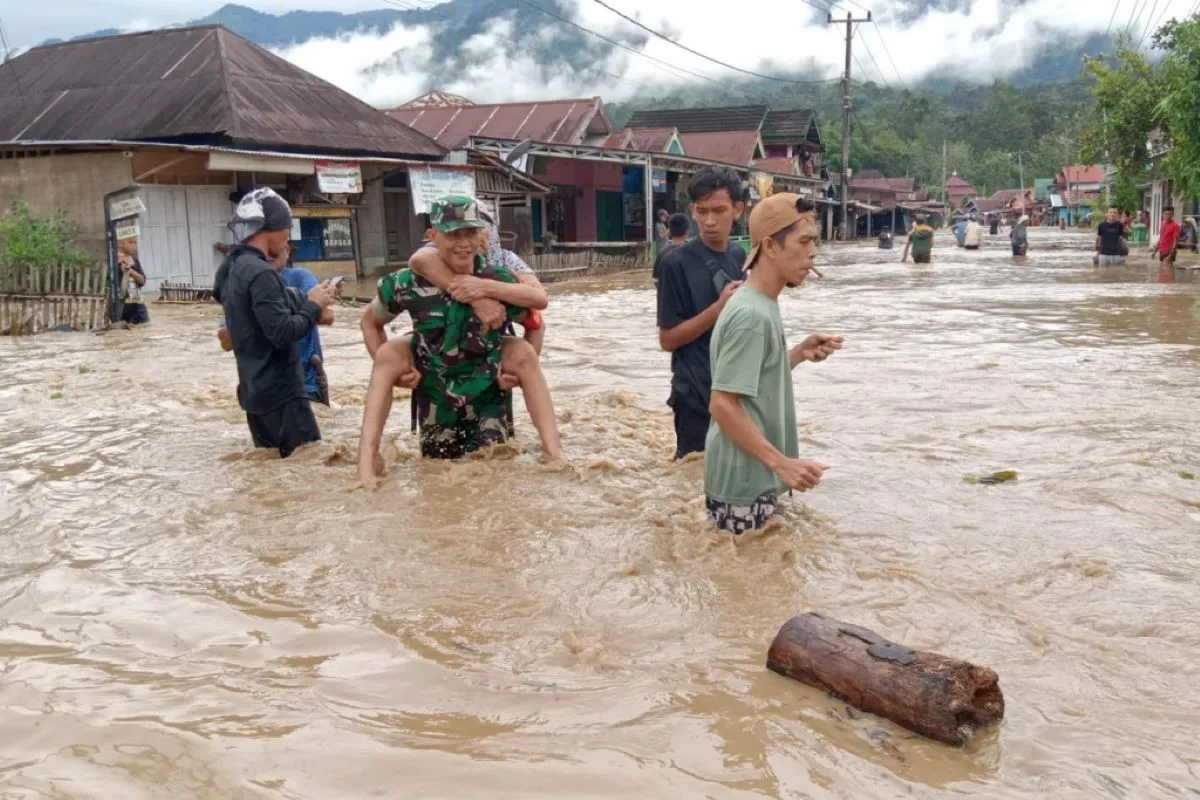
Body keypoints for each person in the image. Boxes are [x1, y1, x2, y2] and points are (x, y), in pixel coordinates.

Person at [357, 195, 560, 479]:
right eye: (453, 234)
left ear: (482, 236)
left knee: (494, 476)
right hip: (435, 398)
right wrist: (399, 376)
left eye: (471, 232)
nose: (463, 243)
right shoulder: (408, 283)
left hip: (488, 397)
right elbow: (369, 323)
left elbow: (535, 322)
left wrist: (514, 375)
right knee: (436, 481)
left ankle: (554, 455)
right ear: (432, 236)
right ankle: (367, 461)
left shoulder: (499, 280)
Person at [704, 193, 843, 534]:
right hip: (743, 486)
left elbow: (752, 382)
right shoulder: (751, 314)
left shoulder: (759, 302)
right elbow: (722, 404)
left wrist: (796, 354)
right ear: (770, 246)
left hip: (755, 476)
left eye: (815, 242)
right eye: (804, 241)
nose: (813, 253)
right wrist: (782, 464)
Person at [212, 188, 337, 458]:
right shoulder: (262, 272)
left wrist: (305, 298)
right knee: (307, 467)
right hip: (283, 396)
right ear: (273, 229)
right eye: (287, 229)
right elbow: (282, 333)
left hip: (254, 395)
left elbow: (251, 311)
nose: (288, 238)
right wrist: (313, 305)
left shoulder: (230, 267)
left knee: (271, 469)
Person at [657, 165, 748, 460]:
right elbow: (667, 339)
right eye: (702, 210)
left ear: (737, 209)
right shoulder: (675, 263)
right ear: (693, 210)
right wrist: (718, 308)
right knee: (695, 479)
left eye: (718, 211)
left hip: (735, 389)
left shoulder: (739, 255)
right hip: (694, 394)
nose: (709, 221)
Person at [219, 243, 335, 405]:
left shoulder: (300, 277)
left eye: (274, 250)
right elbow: (225, 342)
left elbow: (326, 316)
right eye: (264, 250)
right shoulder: (245, 285)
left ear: (287, 251)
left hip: (304, 384)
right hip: (262, 385)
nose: (268, 255)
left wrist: (273, 314)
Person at [116, 235, 149, 325]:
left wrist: (131, 272)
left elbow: (142, 280)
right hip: (122, 306)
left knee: (144, 326)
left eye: (135, 243)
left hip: (138, 303)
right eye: (130, 242)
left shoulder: (135, 260)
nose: (134, 245)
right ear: (120, 243)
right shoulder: (113, 261)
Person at [652, 213, 691, 286]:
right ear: (687, 232)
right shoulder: (693, 253)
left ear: (671, 231)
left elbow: (656, 279)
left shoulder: (662, 255)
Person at [1154, 206, 1181, 270]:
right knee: (1164, 272)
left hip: (1169, 250)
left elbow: (1175, 241)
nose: (1168, 216)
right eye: (1166, 214)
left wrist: (1170, 254)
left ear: (1173, 214)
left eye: (1170, 214)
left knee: (1167, 271)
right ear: (1163, 214)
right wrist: (1155, 251)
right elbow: (1161, 238)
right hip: (1162, 250)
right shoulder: (1163, 223)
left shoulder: (1176, 225)